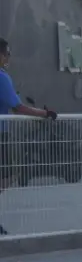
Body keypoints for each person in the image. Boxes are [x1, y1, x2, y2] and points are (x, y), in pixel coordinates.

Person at [0, 38, 57, 235]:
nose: (8, 57)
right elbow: (19, 107)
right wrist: (45, 114)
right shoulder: (2, 77)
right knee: (9, 173)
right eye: (6, 53)